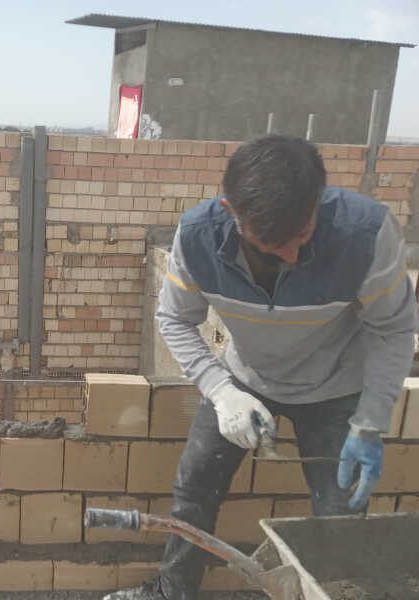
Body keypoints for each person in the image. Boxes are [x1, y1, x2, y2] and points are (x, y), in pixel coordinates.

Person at [105, 135, 418, 600]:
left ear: (317, 202)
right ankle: (172, 591)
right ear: (230, 211)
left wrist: (371, 421)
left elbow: (393, 330)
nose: (290, 256)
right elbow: (173, 318)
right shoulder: (198, 236)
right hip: (245, 380)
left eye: (303, 236)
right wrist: (221, 392)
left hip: (336, 388)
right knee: (194, 486)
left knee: (341, 513)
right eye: (270, 245)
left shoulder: (366, 235)